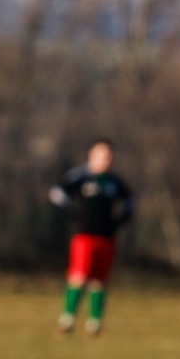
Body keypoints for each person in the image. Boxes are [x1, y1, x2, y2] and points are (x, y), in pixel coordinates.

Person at [49, 139, 133, 335]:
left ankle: (94, 323)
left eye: (108, 156)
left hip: (106, 236)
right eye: (101, 155)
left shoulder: (114, 181)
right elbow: (57, 193)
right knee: (78, 276)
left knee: (99, 280)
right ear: (91, 155)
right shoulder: (80, 177)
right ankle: (67, 319)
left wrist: (121, 220)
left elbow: (130, 200)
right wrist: (72, 213)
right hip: (84, 236)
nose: (105, 160)